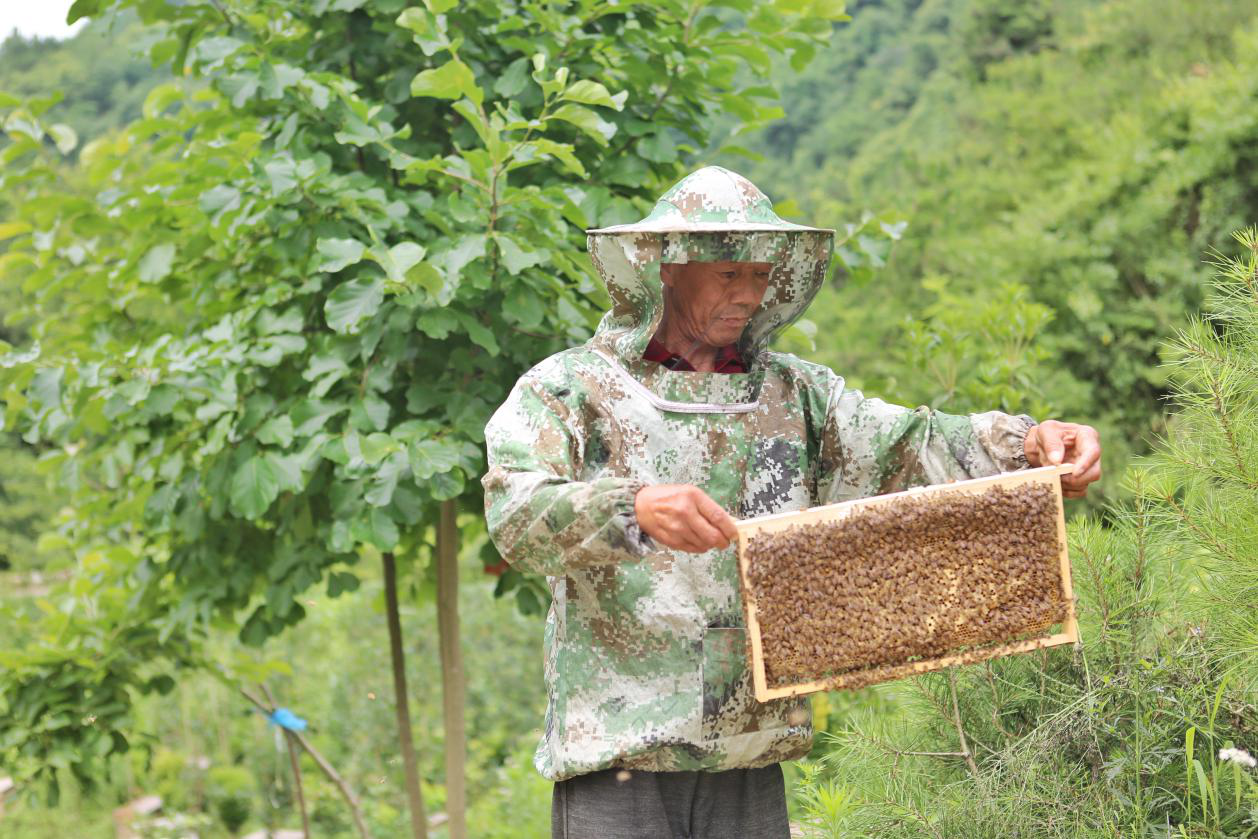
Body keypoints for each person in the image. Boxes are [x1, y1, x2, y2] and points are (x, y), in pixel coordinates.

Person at [481, 166, 1102, 839]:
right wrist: (634, 508)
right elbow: (515, 512)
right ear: (668, 267)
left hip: (750, 756)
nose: (750, 293)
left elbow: (909, 446)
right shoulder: (570, 390)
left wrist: (1028, 445)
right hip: (620, 759)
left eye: (760, 274)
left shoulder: (798, 395)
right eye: (730, 274)